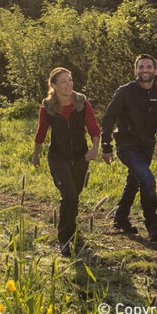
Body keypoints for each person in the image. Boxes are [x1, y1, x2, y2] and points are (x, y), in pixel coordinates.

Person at [100, 54, 157, 243]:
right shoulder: (125, 92)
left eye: (149, 67)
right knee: (147, 179)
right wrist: (106, 144)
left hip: (147, 146)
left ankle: (120, 217)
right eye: (141, 67)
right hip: (126, 145)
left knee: (135, 181)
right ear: (136, 71)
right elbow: (109, 117)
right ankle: (153, 226)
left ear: (155, 71)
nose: (145, 71)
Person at [32, 67, 101, 256]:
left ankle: (72, 231)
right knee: (69, 195)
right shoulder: (47, 107)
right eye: (63, 81)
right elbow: (41, 132)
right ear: (54, 85)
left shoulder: (82, 103)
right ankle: (64, 239)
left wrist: (94, 149)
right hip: (58, 158)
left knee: (74, 196)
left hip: (80, 157)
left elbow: (94, 129)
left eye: (70, 80)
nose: (68, 84)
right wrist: (36, 154)